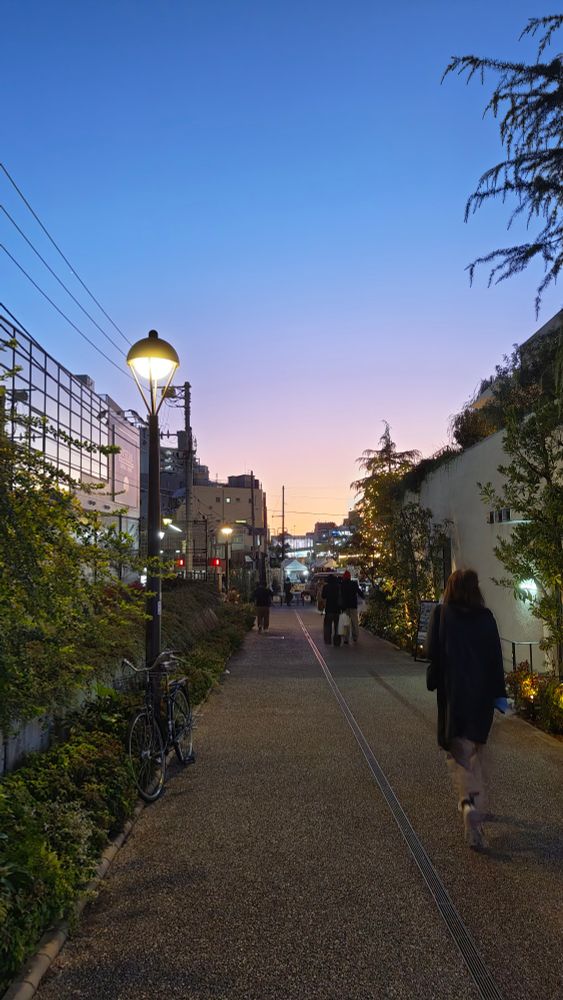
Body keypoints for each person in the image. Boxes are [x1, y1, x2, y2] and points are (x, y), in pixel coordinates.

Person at [426, 569, 507, 851]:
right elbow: (496, 658)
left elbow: (432, 652)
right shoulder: (486, 618)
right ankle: (478, 803)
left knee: (459, 757)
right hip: (482, 698)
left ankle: (470, 808)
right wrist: (499, 694)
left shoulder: (442, 614)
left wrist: (433, 679)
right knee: (477, 753)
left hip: (455, 697)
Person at [340, 570, 363, 644]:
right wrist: (363, 597)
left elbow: (340, 595)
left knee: (346, 623)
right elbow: (359, 592)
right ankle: (355, 637)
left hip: (345, 606)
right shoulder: (354, 584)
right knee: (354, 622)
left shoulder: (342, 584)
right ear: (349, 577)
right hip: (353, 605)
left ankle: (346, 639)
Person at [322, 572, 342, 646]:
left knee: (327, 625)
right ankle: (337, 642)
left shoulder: (326, 587)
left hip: (329, 609)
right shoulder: (339, 586)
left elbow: (323, 596)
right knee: (337, 626)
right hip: (337, 609)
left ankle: (328, 640)